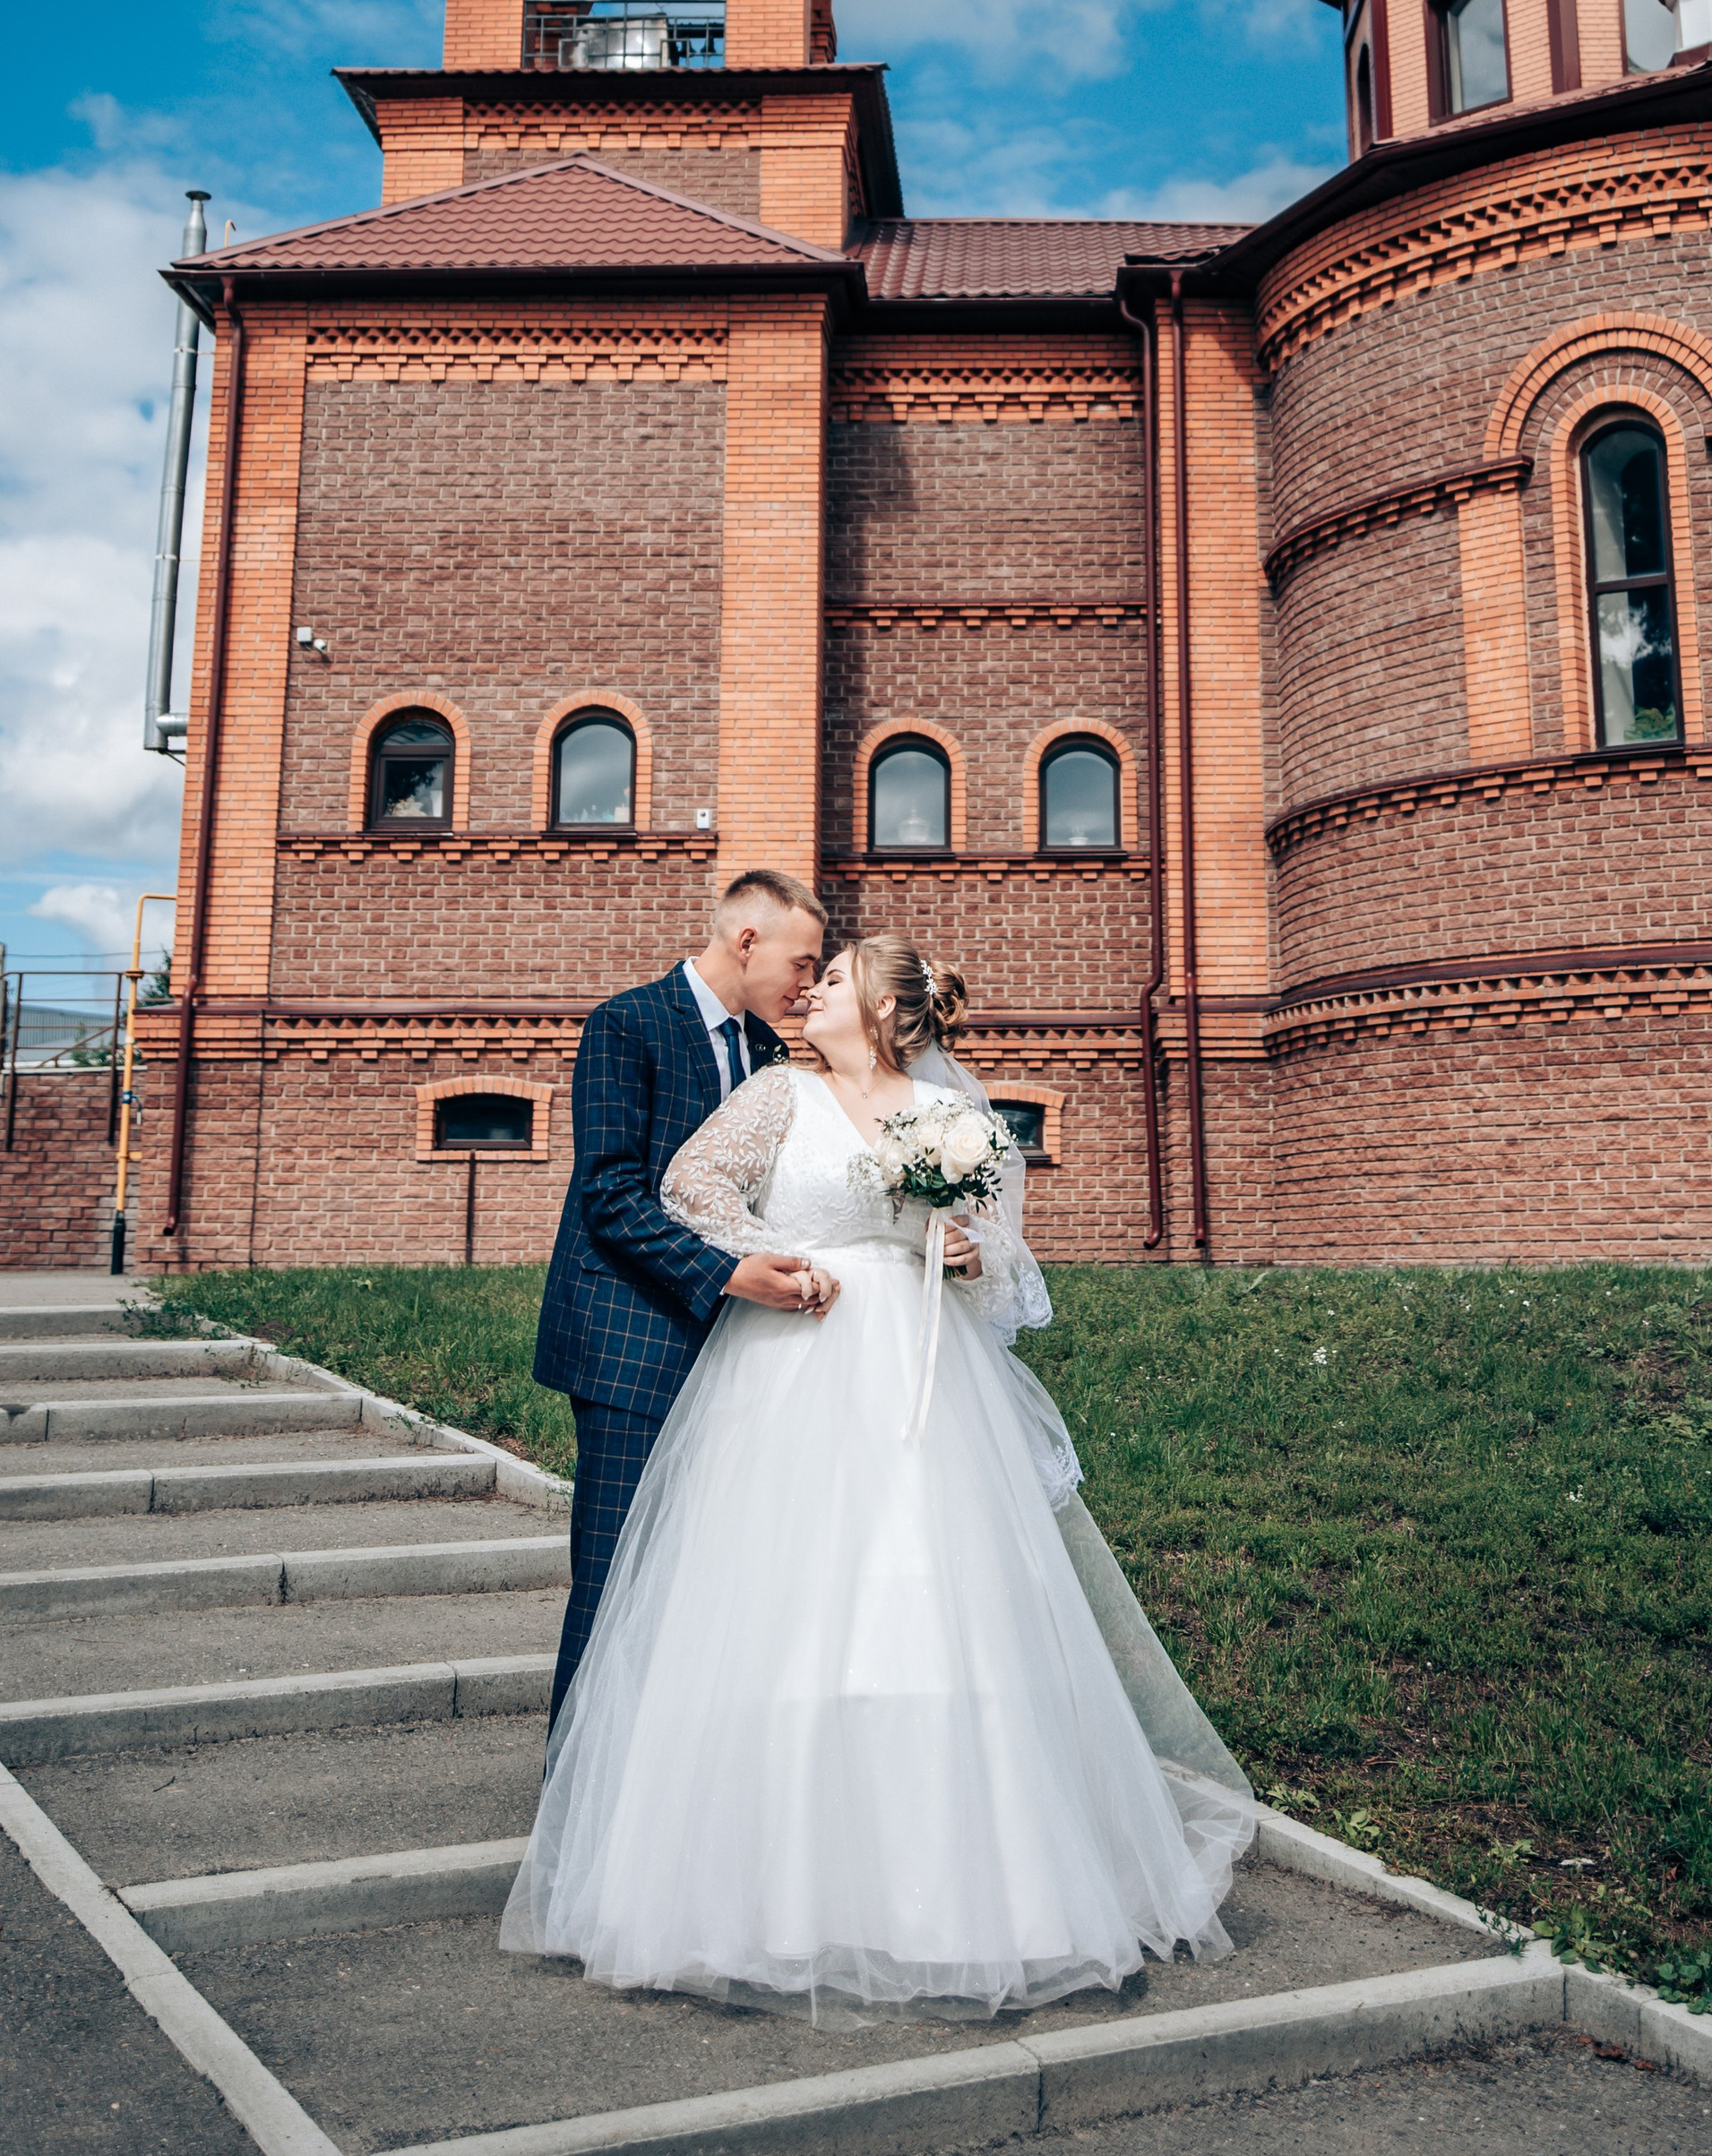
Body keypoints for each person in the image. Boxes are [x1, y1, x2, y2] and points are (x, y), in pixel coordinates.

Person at [503, 932, 1255, 2023]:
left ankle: (958, 1894)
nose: (812, 988)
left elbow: (999, 1248)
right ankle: (764, 1892)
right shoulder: (774, 1098)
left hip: (918, 1372)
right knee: (786, 1604)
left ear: (890, 1011)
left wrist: (962, 1252)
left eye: (839, 976)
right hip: (791, 1366)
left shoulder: (948, 1116)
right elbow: (687, 1187)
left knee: (929, 1601)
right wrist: (762, 1260)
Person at [533, 867, 834, 1722]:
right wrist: (728, 1273)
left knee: (704, 1588)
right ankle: (572, 1816)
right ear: (748, 941)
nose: (808, 983)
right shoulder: (626, 1024)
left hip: (736, 1361)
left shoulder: (774, 1055)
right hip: (630, 1349)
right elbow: (611, 1193)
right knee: (614, 1581)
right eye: (803, 962)